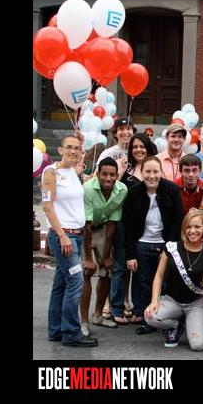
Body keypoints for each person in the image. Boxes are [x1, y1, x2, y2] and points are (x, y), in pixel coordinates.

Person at [42, 135, 97, 347]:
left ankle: (56, 330)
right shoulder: (51, 172)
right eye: (69, 147)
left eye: (77, 148)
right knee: (75, 281)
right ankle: (72, 333)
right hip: (64, 237)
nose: (73, 151)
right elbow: (47, 207)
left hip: (76, 235)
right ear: (60, 150)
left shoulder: (74, 172)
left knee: (61, 283)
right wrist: (62, 236)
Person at [122, 156, 185, 334]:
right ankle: (146, 319)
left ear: (161, 172)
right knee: (143, 282)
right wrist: (130, 255)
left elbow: (178, 221)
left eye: (155, 171)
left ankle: (164, 317)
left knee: (165, 284)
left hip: (165, 242)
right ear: (142, 173)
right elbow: (128, 226)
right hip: (142, 243)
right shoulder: (134, 192)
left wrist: (169, 248)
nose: (151, 176)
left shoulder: (171, 190)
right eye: (147, 172)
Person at [144, 209, 203, 350]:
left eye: (197, 227)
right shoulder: (171, 248)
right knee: (150, 316)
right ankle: (174, 326)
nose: (192, 231)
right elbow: (159, 276)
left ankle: (193, 322)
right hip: (172, 300)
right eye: (188, 227)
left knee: (198, 346)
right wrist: (154, 301)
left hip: (195, 303)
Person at [110, 132, 158, 322]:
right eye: (135, 147)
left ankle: (140, 309)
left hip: (147, 226)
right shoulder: (126, 168)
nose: (138, 150)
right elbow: (113, 192)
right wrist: (121, 171)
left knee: (140, 268)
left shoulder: (153, 168)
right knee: (120, 267)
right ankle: (117, 308)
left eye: (142, 146)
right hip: (125, 224)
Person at [79, 157, 128, 335]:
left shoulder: (122, 190)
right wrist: (87, 258)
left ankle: (98, 315)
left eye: (112, 175)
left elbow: (113, 223)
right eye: (104, 174)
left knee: (107, 271)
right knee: (87, 272)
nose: (108, 178)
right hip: (85, 229)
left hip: (104, 229)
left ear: (117, 175)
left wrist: (106, 255)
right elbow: (87, 225)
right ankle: (84, 321)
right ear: (98, 174)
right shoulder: (88, 189)